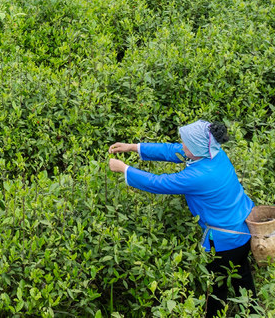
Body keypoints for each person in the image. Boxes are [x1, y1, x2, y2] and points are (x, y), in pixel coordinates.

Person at [108, 121, 259, 318]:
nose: (182, 146)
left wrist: (124, 169)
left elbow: (159, 182)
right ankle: (253, 312)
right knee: (243, 278)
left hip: (224, 241)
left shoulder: (198, 176)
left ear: (196, 147)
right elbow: (172, 150)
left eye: (186, 143)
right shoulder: (214, 153)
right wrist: (133, 147)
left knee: (216, 289)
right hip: (244, 229)